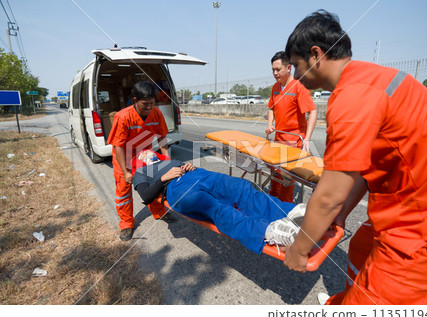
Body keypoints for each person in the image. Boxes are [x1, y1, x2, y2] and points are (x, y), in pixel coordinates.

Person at [283, 10, 427, 305]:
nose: (296, 76)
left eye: (296, 66)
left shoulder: (352, 96)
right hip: (421, 204)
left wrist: (299, 248)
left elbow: (329, 195)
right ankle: (350, 295)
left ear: (316, 54)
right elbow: (362, 167)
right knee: (360, 246)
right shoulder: (383, 78)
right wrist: (344, 213)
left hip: (425, 235)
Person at [132, 150, 306, 254]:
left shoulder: (170, 161)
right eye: (143, 153)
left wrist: (188, 166)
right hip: (174, 187)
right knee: (214, 207)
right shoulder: (140, 172)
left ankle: (290, 212)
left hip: (198, 174)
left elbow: (184, 165)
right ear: (140, 160)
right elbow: (146, 196)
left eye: (149, 152)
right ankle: (270, 232)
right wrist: (163, 178)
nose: (148, 153)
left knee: (241, 187)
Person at [107, 81, 175, 242]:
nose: (149, 107)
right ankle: (126, 224)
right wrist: (125, 171)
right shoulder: (123, 116)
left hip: (145, 156)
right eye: (145, 104)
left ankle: (158, 212)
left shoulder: (156, 114)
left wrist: (167, 161)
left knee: (154, 184)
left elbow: (162, 138)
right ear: (135, 100)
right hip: (124, 158)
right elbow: (118, 146)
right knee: (124, 192)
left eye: (152, 103)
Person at [265, 51, 317, 203]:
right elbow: (271, 108)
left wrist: (307, 138)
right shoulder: (275, 87)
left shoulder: (299, 86)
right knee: (274, 173)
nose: (275, 73)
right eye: (273, 70)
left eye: (278, 69)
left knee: (287, 177)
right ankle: (272, 200)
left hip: (294, 140)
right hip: (278, 137)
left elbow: (312, 112)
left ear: (288, 68)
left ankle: (285, 207)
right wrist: (270, 124)